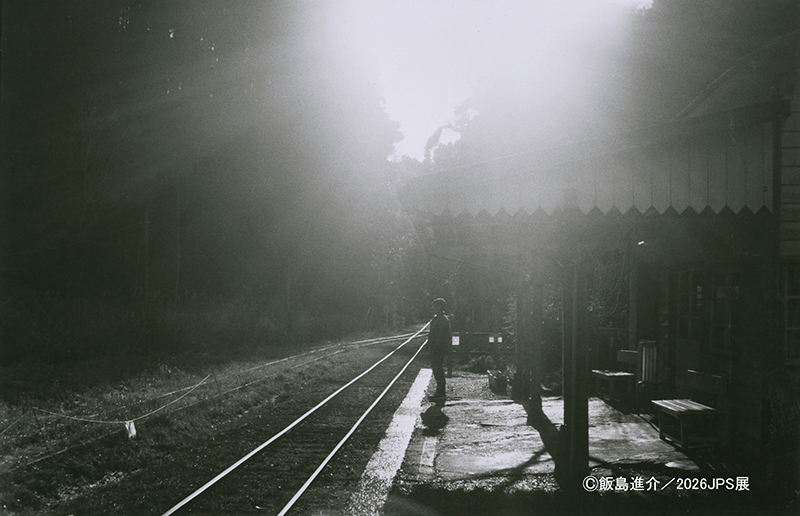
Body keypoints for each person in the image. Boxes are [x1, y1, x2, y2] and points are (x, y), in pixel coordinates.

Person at [428, 298, 451, 400]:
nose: (432, 308)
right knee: (436, 369)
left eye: (434, 306)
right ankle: (439, 391)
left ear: (439, 307)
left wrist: (435, 347)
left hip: (438, 348)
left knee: (438, 370)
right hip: (435, 348)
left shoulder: (442, 320)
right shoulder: (438, 319)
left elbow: (440, 336)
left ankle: (441, 392)